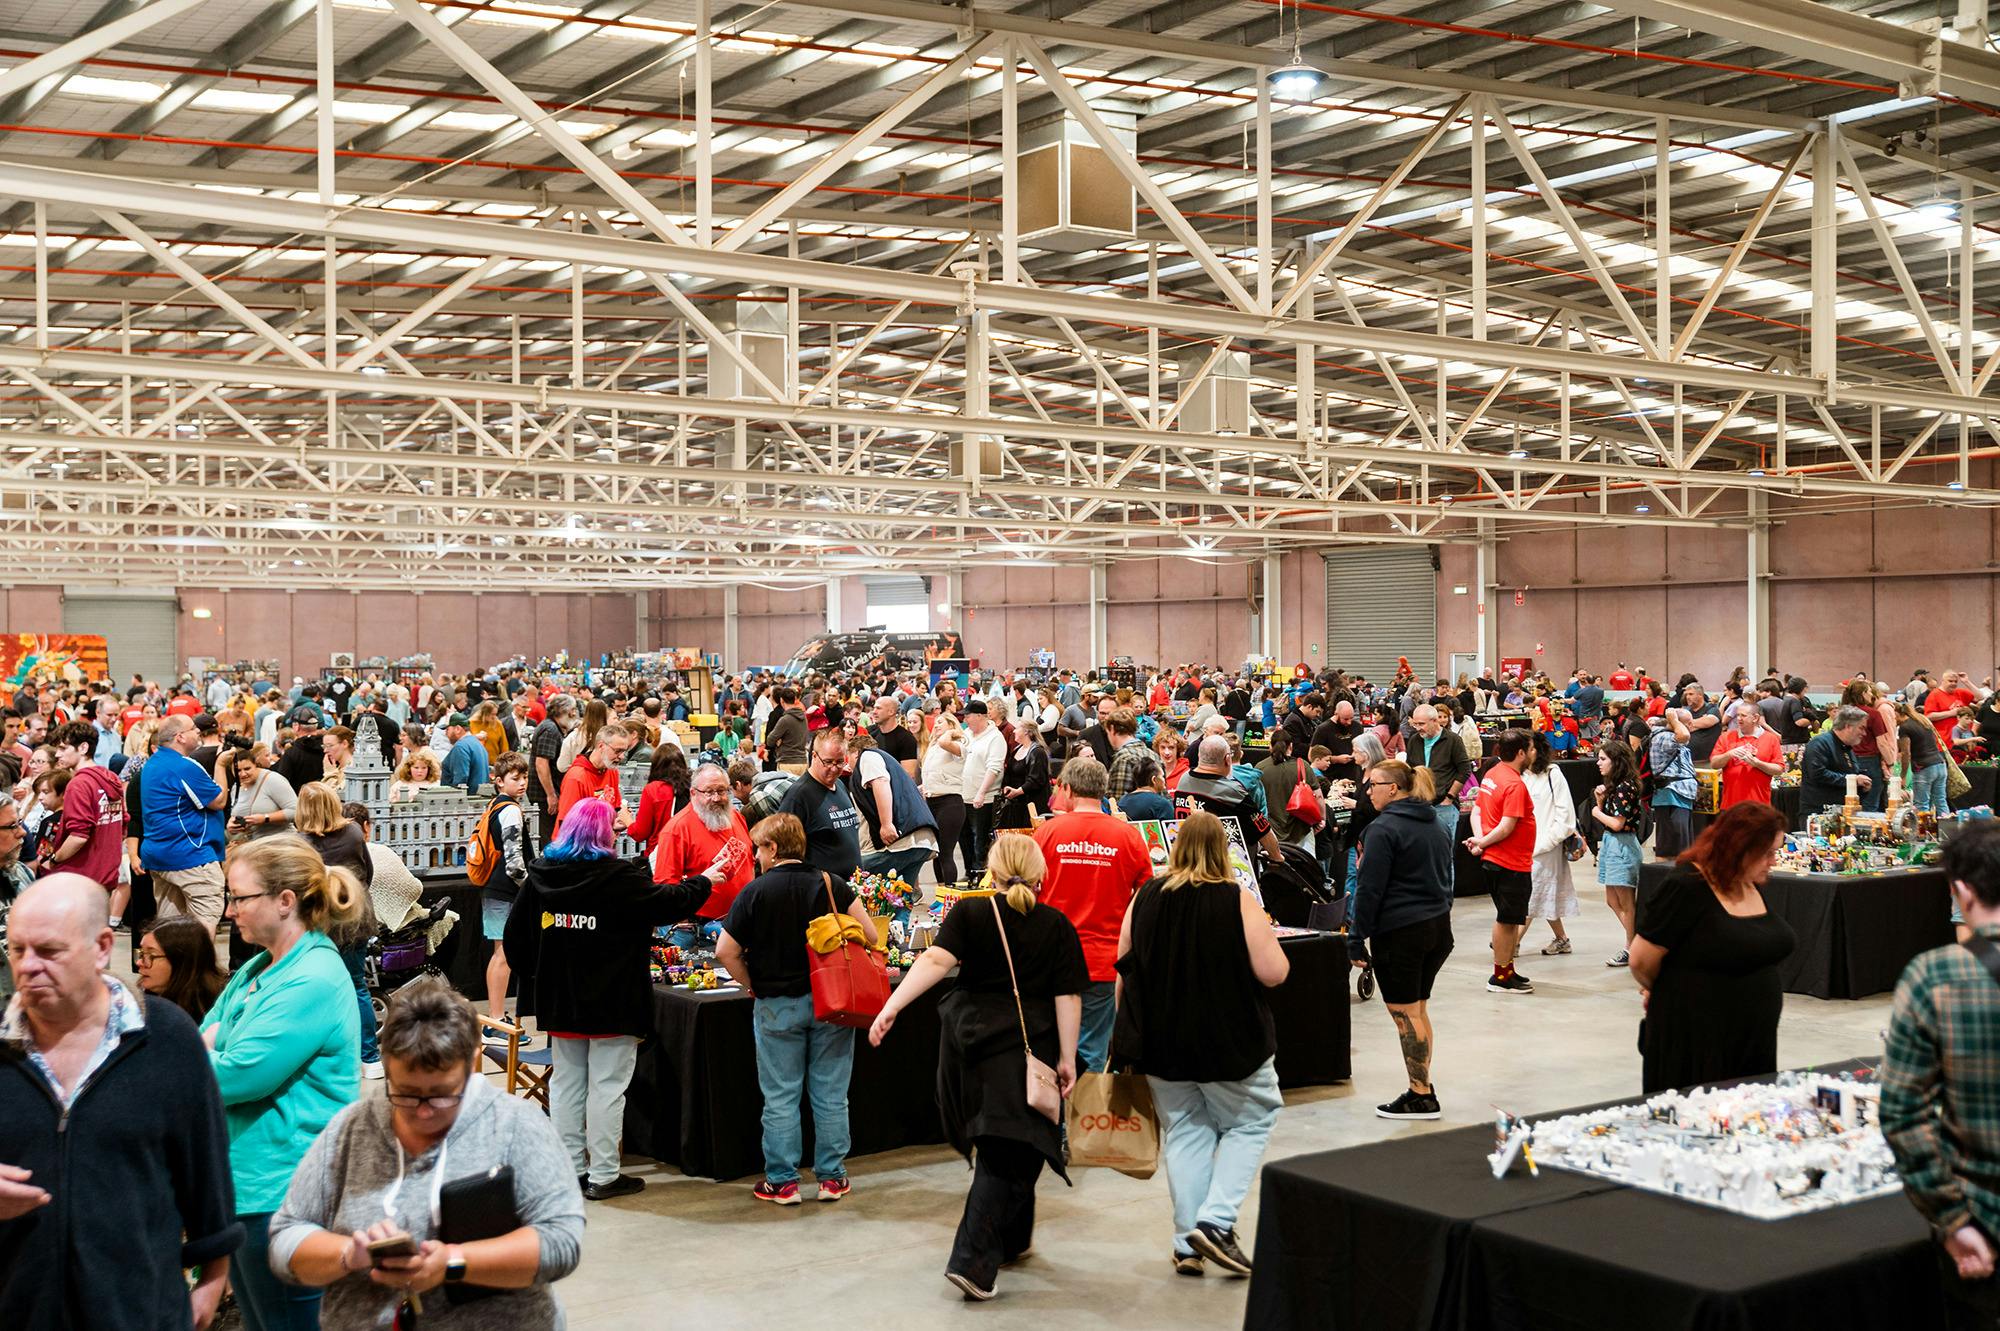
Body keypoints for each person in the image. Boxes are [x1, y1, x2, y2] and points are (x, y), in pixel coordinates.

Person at [270, 977, 586, 1330]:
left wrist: (453, 1261)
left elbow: (561, 1241)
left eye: (442, 1094)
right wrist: (348, 1255)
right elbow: (286, 1237)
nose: (423, 1111)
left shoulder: (516, 1126)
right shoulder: (350, 1129)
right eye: (405, 1093)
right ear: (386, 1065)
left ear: (473, 1060)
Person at [0, 874, 240, 1331]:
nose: (28, 965)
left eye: (49, 951)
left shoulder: (165, 1037)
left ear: (102, 947)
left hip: (140, 1311)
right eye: (16, 950)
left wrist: (215, 1272)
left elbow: (205, 1160)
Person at [867, 832, 1084, 1300]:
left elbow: (934, 961)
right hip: (1027, 1052)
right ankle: (972, 1263)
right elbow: (1068, 996)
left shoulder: (970, 912)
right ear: (1040, 872)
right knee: (1009, 1149)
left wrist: (892, 1006)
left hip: (970, 1050)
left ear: (993, 868)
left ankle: (1012, 1239)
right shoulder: (1056, 924)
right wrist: (1067, 1057)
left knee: (1018, 1143)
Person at [504, 798, 726, 1201]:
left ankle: (570, 1168)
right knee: (607, 1088)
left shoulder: (541, 877)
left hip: (562, 1001)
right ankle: (604, 1175)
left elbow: (516, 942)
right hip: (614, 1002)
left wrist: (541, 977)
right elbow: (667, 903)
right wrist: (706, 879)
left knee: (568, 1085)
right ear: (602, 834)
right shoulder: (619, 877)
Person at [1116, 812, 1288, 1278]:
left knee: (1187, 1131)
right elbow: (1275, 972)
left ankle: (1186, 1242)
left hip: (1160, 1040)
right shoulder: (1237, 899)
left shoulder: (1146, 897)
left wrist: (1124, 1032)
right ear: (1223, 849)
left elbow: (1123, 970)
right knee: (1252, 1121)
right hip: (1230, 1039)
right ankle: (1215, 1222)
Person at [207, 835, 367, 1330]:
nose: (230, 910)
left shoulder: (312, 977)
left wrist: (212, 1048)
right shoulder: (260, 966)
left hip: (284, 1193)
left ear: (284, 901)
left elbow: (237, 1074)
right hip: (246, 1184)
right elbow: (202, 1036)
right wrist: (211, 1048)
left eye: (240, 897)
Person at [715, 813, 877, 1205]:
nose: (756, 855)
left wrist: (752, 983)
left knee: (781, 1096)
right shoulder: (831, 884)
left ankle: (782, 1181)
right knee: (831, 1093)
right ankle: (832, 1178)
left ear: (772, 849)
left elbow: (725, 951)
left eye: (759, 847)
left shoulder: (754, 892)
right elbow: (870, 936)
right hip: (830, 1003)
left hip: (776, 1006)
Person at [1881, 819, 2000, 1329]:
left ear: (1962, 890)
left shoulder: (1936, 975)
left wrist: (1951, 1220)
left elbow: (1902, 1114)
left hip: (1983, 1218)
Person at [1630, 801, 1795, 1094]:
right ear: (1740, 849)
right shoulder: (1687, 885)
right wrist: (1669, 990)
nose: (1773, 862)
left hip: (1753, 1041)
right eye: (1767, 853)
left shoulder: (1747, 883)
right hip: (1696, 1039)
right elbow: (1641, 960)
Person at [1348, 759, 1454, 1120]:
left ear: (1392, 788)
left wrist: (1355, 935)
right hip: (1437, 928)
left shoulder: (1383, 829)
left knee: (1405, 1015)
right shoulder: (1435, 823)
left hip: (1402, 933)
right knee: (1418, 1010)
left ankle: (1420, 1094)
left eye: (1373, 784)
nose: (1368, 791)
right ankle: (1423, 1088)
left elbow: (1369, 889)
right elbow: (1446, 876)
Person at [1031, 756, 1151, 1073]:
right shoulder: (1128, 836)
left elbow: (1027, 890)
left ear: (1068, 790)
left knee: (1050, 1050)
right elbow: (1147, 896)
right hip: (1104, 961)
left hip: (1052, 960)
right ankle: (1085, 1120)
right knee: (1092, 1054)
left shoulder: (1047, 834)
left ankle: (1058, 1121)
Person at [140, 714, 229, 936]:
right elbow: (218, 801)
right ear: (180, 737)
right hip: (190, 855)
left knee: (171, 929)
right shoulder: (183, 766)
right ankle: (198, 970)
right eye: (193, 729)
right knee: (203, 925)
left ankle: (173, 970)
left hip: (160, 855)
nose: (198, 732)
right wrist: (221, 766)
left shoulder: (153, 762)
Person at [1464, 728, 1537, 995]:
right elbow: (1507, 826)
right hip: (1510, 862)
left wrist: (1479, 839)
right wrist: (1481, 842)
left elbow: (1478, 810)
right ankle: (1500, 977)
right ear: (1520, 753)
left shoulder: (1493, 774)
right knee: (1507, 921)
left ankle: (1507, 969)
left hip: (1498, 859)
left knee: (1508, 919)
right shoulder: (1514, 784)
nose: (1533, 753)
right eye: (1530, 749)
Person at [652, 762, 754, 948]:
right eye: (709, 792)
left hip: (738, 922)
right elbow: (665, 884)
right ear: (693, 793)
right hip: (698, 930)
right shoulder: (676, 829)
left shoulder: (736, 817)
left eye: (722, 791)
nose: (716, 798)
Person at [477, 752, 532, 1020]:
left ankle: (495, 1018)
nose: (522, 783)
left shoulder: (495, 805)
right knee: (504, 955)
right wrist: (529, 886)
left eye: (525, 777)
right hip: (506, 890)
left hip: (493, 887)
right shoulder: (511, 810)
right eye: (515, 778)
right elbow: (514, 862)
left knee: (501, 953)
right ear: (499, 781)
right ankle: (496, 1020)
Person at [39, 721, 125, 892]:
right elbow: (123, 825)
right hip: (106, 875)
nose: (57, 754)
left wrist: (53, 860)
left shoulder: (79, 783)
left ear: (83, 748)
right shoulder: (111, 778)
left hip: (80, 879)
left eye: (63, 748)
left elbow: (79, 836)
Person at [774, 725, 864, 880]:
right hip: (822, 889)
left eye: (840, 762)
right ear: (814, 756)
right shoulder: (799, 795)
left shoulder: (840, 785)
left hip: (850, 888)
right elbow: (783, 850)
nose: (834, 769)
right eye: (828, 762)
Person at [850, 728, 939, 885]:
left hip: (900, 841)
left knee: (853, 876)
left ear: (855, 753)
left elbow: (881, 782)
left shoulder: (867, 756)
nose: (846, 764)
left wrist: (886, 824)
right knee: (901, 898)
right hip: (921, 840)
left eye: (846, 757)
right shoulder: (888, 762)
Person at [1590, 739, 1647, 967]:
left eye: (1603, 759)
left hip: (1622, 845)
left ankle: (1633, 946)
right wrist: (1601, 801)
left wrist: (1596, 812)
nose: (1598, 763)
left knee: (1626, 903)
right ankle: (1638, 942)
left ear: (1616, 761)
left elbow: (1616, 823)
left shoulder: (1626, 787)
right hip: (1612, 844)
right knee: (1613, 900)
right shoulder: (1618, 786)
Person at [1524, 732, 1580, 956]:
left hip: (1546, 847)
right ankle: (1561, 939)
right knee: (1545, 895)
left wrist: (1545, 844)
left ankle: (1510, 943)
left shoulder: (1552, 774)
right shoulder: (1519, 776)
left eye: (1526, 748)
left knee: (1532, 894)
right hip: (1523, 847)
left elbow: (1565, 817)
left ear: (1536, 750)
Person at [134, 914, 228, 1022]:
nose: (139, 962)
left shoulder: (218, 1011)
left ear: (182, 961)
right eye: (141, 953)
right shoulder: (140, 1002)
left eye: (151, 955)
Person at [555, 720, 632, 833]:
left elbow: (615, 808)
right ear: (601, 746)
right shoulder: (576, 777)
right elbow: (566, 824)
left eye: (624, 751)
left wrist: (619, 820)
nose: (621, 756)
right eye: (618, 751)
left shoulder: (611, 770)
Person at [959, 700, 1007, 878]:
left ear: (980, 716)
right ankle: (968, 871)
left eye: (968, 715)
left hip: (983, 798)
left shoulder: (995, 738)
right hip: (963, 794)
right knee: (963, 837)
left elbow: (994, 768)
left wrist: (981, 792)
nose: (965, 719)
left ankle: (980, 872)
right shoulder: (967, 734)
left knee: (980, 838)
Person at [922, 701, 968, 885]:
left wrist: (951, 731)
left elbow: (944, 742)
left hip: (950, 803)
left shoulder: (958, 744)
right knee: (936, 853)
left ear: (951, 725)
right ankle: (941, 894)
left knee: (946, 852)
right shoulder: (933, 747)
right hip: (932, 802)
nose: (937, 724)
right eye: (937, 722)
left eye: (941, 722)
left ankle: (949, 893)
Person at [1799, 704, 1870, 816]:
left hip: (1841, 812)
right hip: (1819, 814)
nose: (1864, 733)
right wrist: (1852, 780)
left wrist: (1862, 787)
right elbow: (1818, 774)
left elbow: (1849, 775)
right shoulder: (1819, 743)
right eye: (1861, 728)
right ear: (1848, 726)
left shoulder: (1847, 748)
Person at [1647, 707, 1698, 859]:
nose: (1691, 726)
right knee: (1671, 847)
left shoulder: (1670, 736)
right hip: (1671, 795)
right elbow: (1684, 735)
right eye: (1688, 723)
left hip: (1681, 795)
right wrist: (1674, 720)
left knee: (1682, 846)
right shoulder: (1664, 737)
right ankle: (1667, 877)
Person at [1712, 700, 1784, 808]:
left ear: (1755, 718)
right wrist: (1729, 754)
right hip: (1731, 805)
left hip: (1759, 805)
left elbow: (1779, 769)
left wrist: (1757, 763)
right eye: (1737, 715)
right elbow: (1714, 764)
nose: (1739, 719)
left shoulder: (1770, 739)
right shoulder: (1726, 737)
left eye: (1743, 716)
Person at [1898, 699, 1953, 822]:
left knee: (1921, 804)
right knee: (1941, 801)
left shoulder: (1904, 727)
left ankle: (1922, 837)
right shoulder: (1922, 720)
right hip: (1940, 764)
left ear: (1897, 714)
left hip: (1924, 767)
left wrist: (1903, 775)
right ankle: (1948, 831)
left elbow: (1906, 753)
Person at [439, 714, 491, 797]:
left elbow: (461, 779)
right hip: (479, 799)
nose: (446, 733)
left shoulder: (461, 747)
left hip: (464, 803)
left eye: (447, 729)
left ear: (458, 729)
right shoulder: (477, 744)